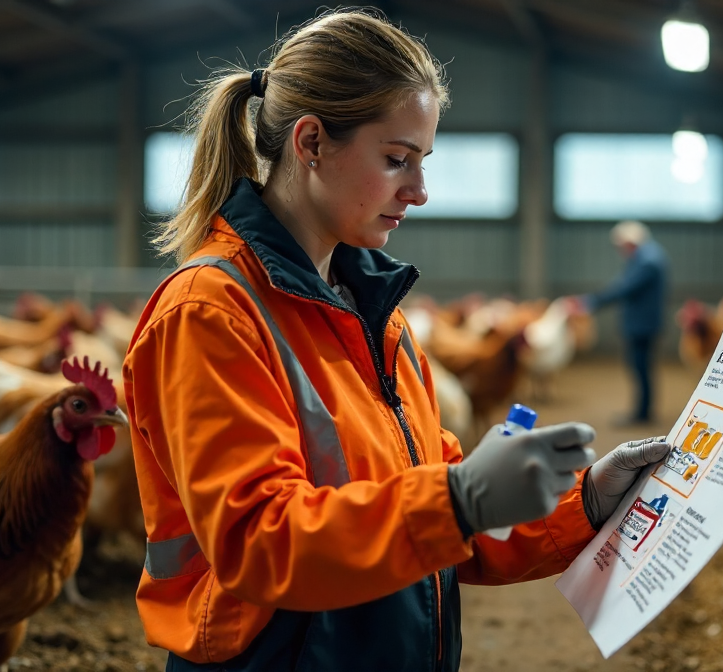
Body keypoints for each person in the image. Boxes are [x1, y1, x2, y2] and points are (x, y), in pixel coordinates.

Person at [122, 10, 671, 671]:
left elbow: (437, 515)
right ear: (311, 142)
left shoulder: (377, 315)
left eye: (422, 162)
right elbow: (260, 543)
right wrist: (459, 500)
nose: (420, 192)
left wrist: (584, 501)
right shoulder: (211, 313)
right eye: (395, 160)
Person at [577, 220, 668, 426]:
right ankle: (642, 410)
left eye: (620, 246)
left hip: (642, 325)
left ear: (629, 242)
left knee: (641, 367)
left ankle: (643, 413)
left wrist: (591, 301)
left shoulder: (647, 261)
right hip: (643, 323)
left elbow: (624, 288)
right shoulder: (648, 257)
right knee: (640, 367)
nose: (619, 250)